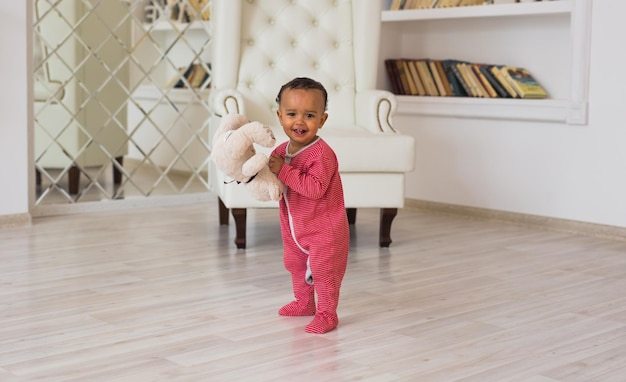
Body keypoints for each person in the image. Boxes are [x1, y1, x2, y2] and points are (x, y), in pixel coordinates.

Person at [268, 77, 350, 334]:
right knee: (294, 264)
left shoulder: (322, 154)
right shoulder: (281, 151)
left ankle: (327, 313)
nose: (299, 122)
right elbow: (270, 176)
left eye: (309, 115)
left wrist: (284, 171)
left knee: (324, 272)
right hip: (294, 228)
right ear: (280, 116)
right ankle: (304, 302)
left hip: (325, 230)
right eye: (292, 114)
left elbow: (314, 189)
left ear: (322, 120)